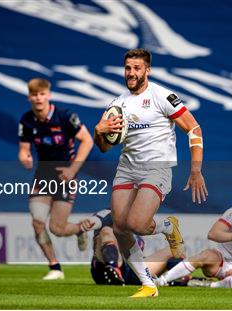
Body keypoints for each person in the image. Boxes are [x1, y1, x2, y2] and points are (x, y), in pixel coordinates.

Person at [93, 48, 208, 298]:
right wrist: (98, 130)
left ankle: (168, 226)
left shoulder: (162, 96)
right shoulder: (117, 104)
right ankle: (148, 285)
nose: (131, 73)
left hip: (156, 167)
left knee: (136, 223)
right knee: (120, 228)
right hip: (126, 168)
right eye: (127, 68)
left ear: (147, 70)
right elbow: (103, 146)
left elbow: (194, 128)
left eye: (136, 68)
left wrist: (196, 169)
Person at [18, 78, 95, 280]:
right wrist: (24, 158)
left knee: (57, 228)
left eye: (42, 94)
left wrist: (73, 169)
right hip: (42, 175)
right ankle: (55, 266)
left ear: (48, 95)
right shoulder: (26, 120)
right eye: (34, 95)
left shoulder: (65, 116)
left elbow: (87, 140)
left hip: (65, 175)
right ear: (29, 97)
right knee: (37, 223)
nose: (38, 98)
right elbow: (24, 150)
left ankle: (79, 230)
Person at [88, 209, 189, 286]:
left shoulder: (139, 222)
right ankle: (113, 268)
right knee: (107, 231)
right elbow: (96, 223)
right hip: (103, 268)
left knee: (175, 250)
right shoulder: (109, 214)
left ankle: (174, 279)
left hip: (131, 270)